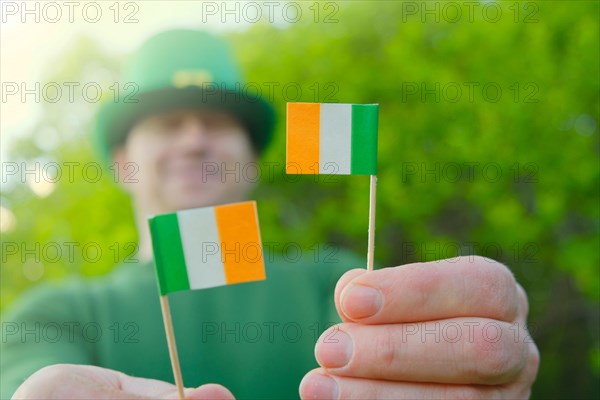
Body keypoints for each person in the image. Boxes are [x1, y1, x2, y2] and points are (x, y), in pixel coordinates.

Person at [1, 30, 539, 400]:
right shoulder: (54, 313)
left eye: (216, 122)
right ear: (123, 166)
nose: (194, 141)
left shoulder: (340, 285)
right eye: (167, 124)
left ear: (252, 162)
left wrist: (472, 361)